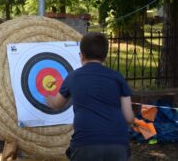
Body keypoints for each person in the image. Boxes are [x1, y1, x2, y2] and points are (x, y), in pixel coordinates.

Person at [46, 32, 135, 161]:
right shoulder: (117, 77)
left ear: (81, 56)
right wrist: (133, 119)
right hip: (118, 144)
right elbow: (128, 118)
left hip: (85, 144)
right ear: (105, 56)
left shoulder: (73, 77)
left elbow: (57, 104)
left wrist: (49, 98)